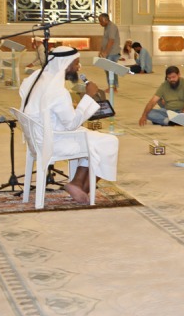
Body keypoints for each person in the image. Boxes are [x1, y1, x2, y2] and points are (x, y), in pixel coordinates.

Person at [18, 46, 119, 203]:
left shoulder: (35, 79)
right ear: (65, 64)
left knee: (93, 138)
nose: (78, 67)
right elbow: (71, 124)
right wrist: (89, 96)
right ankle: (81, 187)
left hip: (37, 138)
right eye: (76, 63)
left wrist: (71, 107)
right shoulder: (58, 91)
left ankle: (78, 185)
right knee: (109, 141)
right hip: (53, 142)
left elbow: (44, 107)